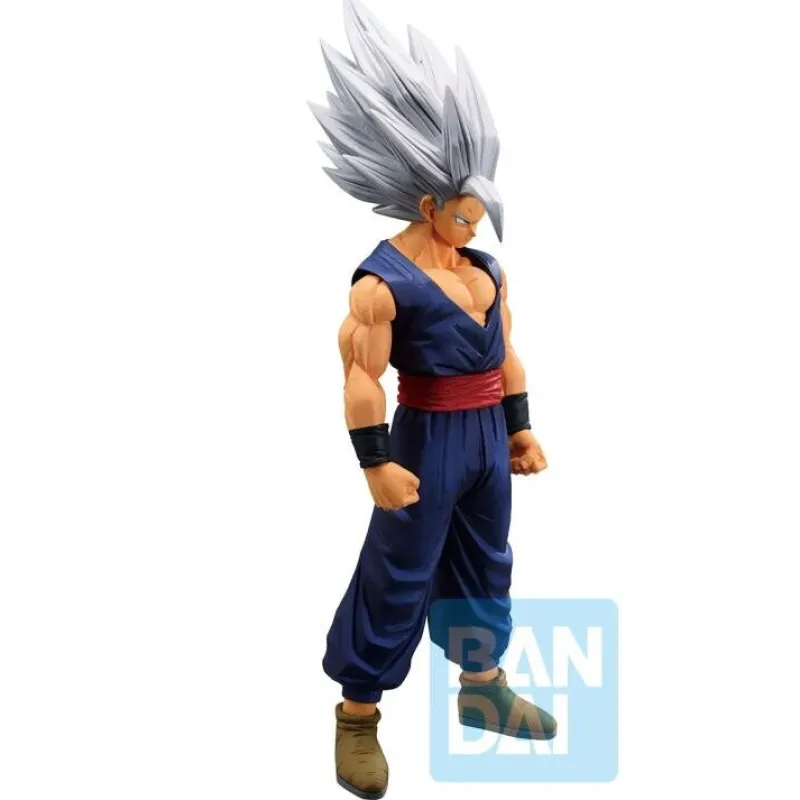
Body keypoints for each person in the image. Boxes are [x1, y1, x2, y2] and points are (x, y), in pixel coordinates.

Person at [310, 3, 556, 796]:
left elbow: (506, 351)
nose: (475, 226)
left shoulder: (484, 270)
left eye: (479, 214)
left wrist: (519, 428)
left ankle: (482, 690)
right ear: (428, 205)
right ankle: (358, 715)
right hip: (424, 438)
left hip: (485, 437)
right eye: (465, 213)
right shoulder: (383, 283)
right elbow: (360, 378)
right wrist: (374, 464)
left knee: (487, 562)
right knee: (399, 571)